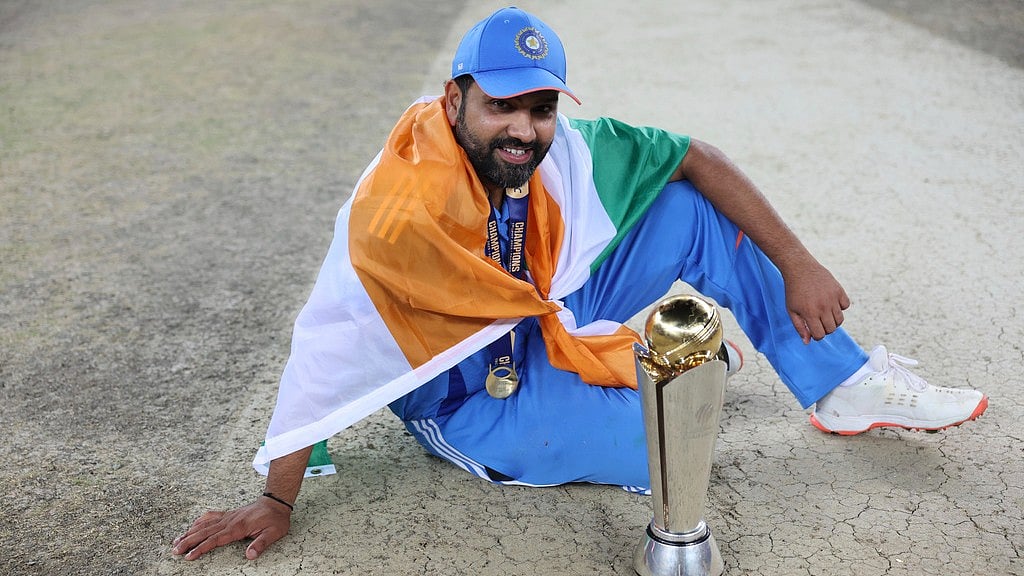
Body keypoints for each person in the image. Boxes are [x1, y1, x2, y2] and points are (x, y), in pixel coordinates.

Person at [172, 7, 987, 561]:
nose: (524, 129)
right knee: (664, 448)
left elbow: (694, 155)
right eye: (501, 107)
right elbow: (333, 339)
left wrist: (800, 263)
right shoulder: (399, 211)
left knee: (685, 206)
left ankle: (840, 383)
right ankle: (666, 371)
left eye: (541, 108)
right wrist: (278, 497)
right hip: (467, 386)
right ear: (454, 99)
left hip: (541, 305)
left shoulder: (553, 148)